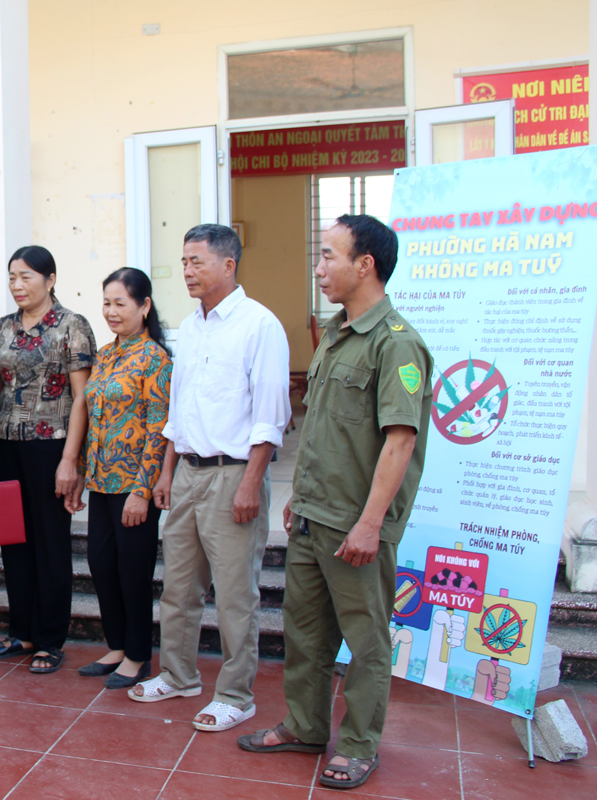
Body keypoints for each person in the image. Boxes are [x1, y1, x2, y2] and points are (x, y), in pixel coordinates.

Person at [238, 215, 432, 791]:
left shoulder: (396, 342)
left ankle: (358, 745)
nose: (319, 267)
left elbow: (400, 442)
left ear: (365, 265)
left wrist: (371, 524)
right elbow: (327, 428)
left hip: (355, 527)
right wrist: (299, 495)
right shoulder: (336, 332)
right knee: (305, 634)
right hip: (313, 517)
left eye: (328, 255)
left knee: (366, 642)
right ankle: (305, 725)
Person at [130, 224, 290, 736]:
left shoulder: (259, 325)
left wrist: (250, 484)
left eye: (196, 261)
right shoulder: (190, 326)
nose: (187, 271)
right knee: (178, 588)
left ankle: (236, 696)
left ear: (228, 264)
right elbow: (178, 411)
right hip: (188, 474)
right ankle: (178, 676)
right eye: (183, 261)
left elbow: (270, 417)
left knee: (236, 596)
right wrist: (167, 472)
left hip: (233, 474)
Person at [0, 245, 95, 674]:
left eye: (26, 276)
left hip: (52, 447)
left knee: (50, 543)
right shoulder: (3, 327)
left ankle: (50, 639)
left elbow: (82, 398)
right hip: (7, 444)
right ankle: (23, 631)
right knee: (14, 542)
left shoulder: (72, 326)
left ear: (50, 280)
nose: (17, 285)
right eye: (12, 276)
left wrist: (71, 460)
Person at [69, 268, 171, 690]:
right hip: (101, 481)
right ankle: (116, 645)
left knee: (133, 570)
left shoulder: (155, 359)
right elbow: (92, 416)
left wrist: (142, 491)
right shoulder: (107, 354)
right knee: (101, 564)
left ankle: (138, 654)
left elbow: (158, 429)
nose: (111, 311)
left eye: (120, 303)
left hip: (133, 485)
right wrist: (80, 471)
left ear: (144, 306)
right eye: (106, 303)